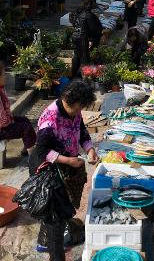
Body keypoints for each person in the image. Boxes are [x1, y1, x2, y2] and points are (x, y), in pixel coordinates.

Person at [30, 80, 98, 259]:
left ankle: (49, 239)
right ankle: (53, 251)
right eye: (77, 108)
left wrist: (90, 149)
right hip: (46, 169)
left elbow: (82, 131)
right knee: (55, 216)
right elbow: (42, 151)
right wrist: (68, 160)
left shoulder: (74, 111)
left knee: (60, 209)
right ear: (67, 100)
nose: (78, 112)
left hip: (65, 166)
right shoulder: (50, 119)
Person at [0, 61, 36, 155]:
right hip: (2, 128)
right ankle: (32, 157)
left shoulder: (1, 88)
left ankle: (26, 148)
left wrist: (11, 120)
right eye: (4, 74)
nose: (6, 76)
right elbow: (2, 121)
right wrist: (11, 122)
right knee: (26, 128)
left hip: (4, 124)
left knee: (25, 120)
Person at [70, 0, 103, 77]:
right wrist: (92, 40)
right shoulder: (89, 15)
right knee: (85, 59)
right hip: (82, 38)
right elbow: (94, 29)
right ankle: (85, 78)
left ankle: (73, 75)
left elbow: (73, 21)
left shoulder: (78, 11)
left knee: (77, 56)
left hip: (75, 36)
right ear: (90, 5)